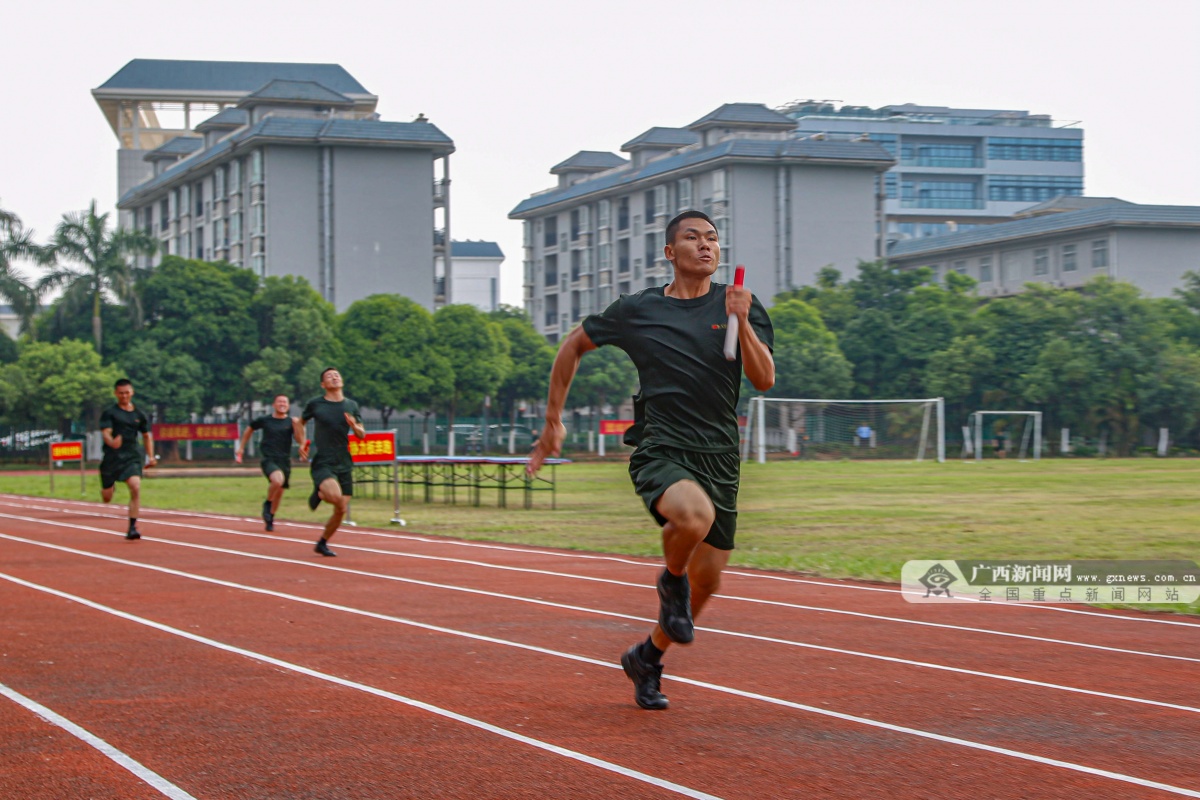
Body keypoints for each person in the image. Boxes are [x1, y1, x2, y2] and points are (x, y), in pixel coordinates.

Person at [527, 210, 774, 710]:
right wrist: (553, 420)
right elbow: (572, 347)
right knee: (692, 517)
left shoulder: (739, 305)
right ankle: (670, 579)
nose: (705, 246)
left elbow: (764, 379)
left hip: (721, 455)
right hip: (662, 446)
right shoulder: (637, 310)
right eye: (692, 238)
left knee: (709, 583)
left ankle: (647, 657)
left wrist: (743, 321)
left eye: (712, 239)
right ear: (670, 252)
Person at [298, 368, 364, 557]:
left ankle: (322, 542)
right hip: (324, 460)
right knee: (334, 497)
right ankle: (321, 492)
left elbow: (361, 434)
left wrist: (354, 427)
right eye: (329, 376)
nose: (334, 377)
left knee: (341, 508)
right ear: (323, 385)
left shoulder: (351, 405)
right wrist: (302, 442)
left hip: (344, 460)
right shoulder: (316, 404)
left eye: (337, 375)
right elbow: (299, 422)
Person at [99, 378, 157, 539]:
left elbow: (146, 436)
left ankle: (132, 527)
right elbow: (105, 432)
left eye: (127, 393)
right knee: (106, 497)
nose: (124, 396)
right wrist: (112, 442)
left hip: (132, 456)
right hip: (112, 458)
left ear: (132, 392)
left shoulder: (139, 414)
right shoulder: (110, 413)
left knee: (135, 486)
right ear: (115, 393)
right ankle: (110, 485)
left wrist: (150, 456)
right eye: (121, 393)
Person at [236, 394, 304, 531]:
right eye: (279, 402)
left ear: (288, 406)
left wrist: (298, 427)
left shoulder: (291, 422)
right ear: (274, 405)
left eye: (285, 402)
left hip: (284, 460)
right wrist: (241, 448)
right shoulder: (265, 420)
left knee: (279, 491)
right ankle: (267, 503)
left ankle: (270, 518)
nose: (282, 404)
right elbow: (249, 429)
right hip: (269, 458)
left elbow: (299, 439)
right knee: (277, 481)